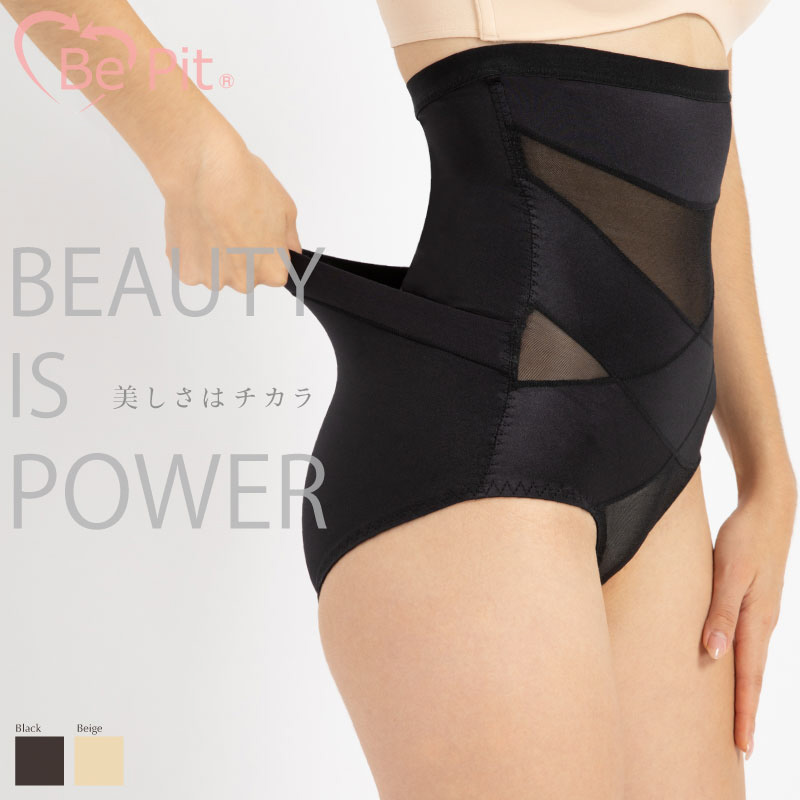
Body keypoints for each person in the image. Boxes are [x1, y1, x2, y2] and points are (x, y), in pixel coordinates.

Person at [5, 1, 794, 797]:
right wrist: (192, 152)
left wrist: (767, 470)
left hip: (663, 467)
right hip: (484, 449)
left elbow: (699, 118)